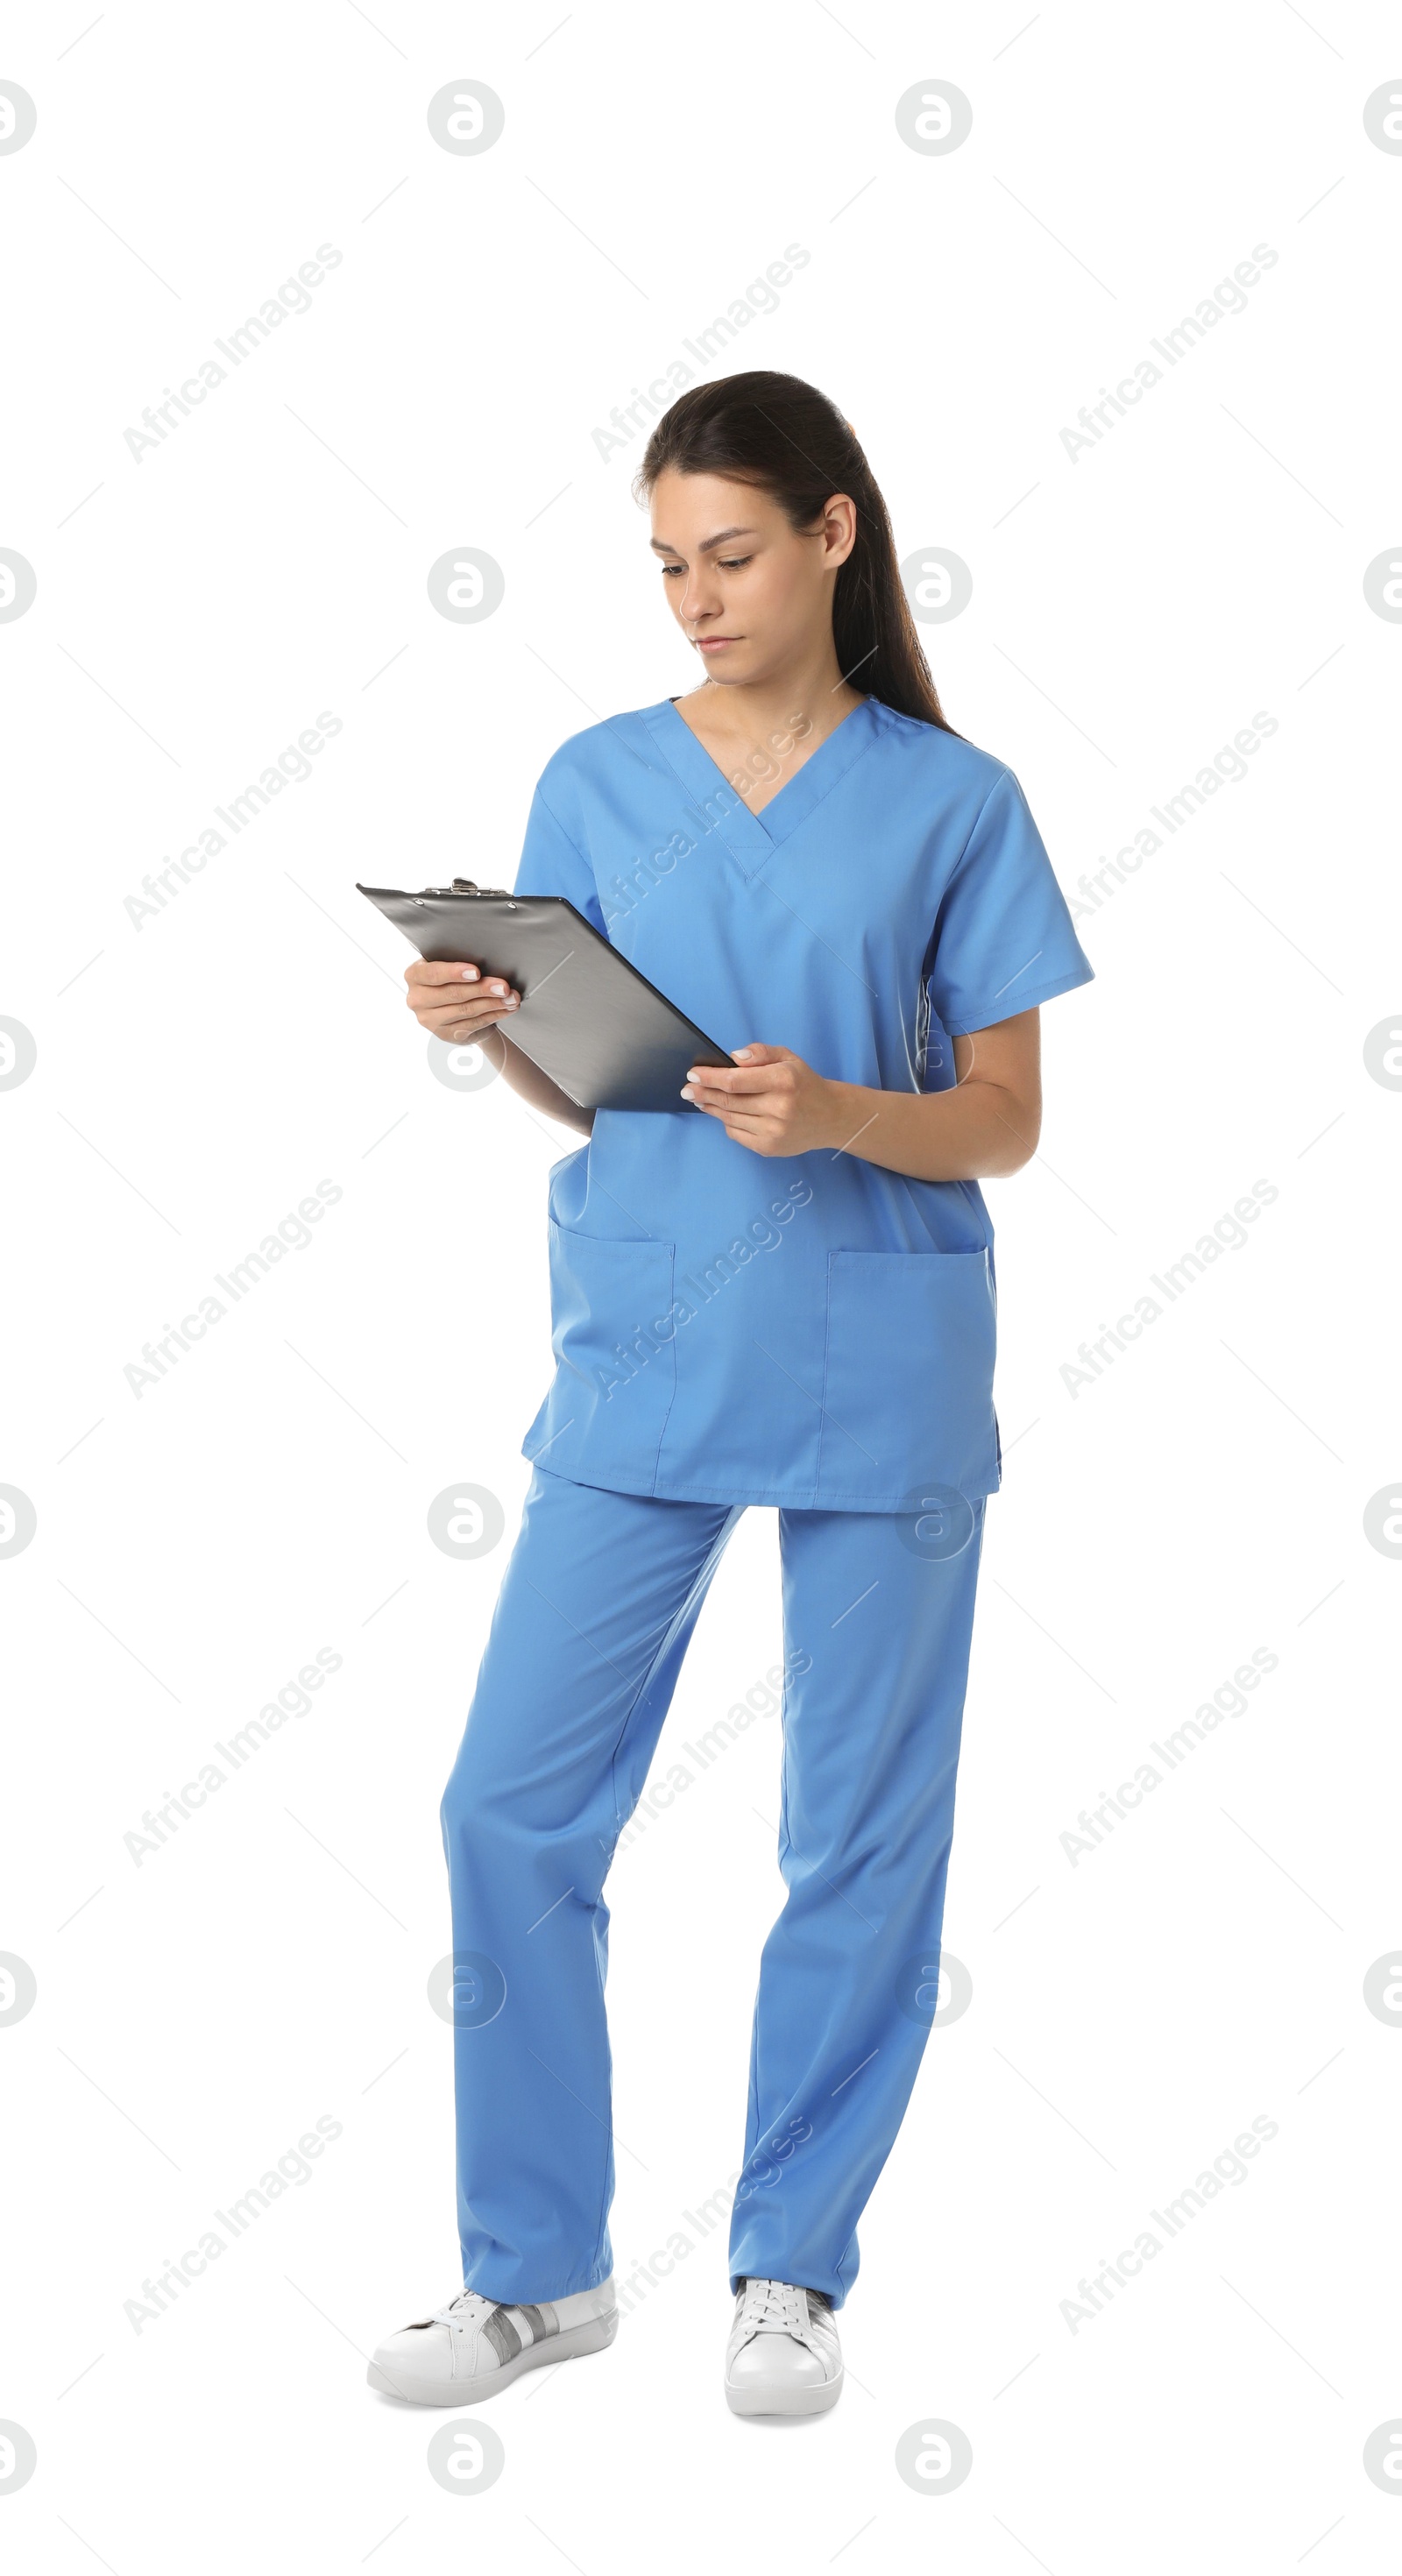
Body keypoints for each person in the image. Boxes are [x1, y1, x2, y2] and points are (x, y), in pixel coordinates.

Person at [367, 371, 1094, 2421]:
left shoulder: (953, 806)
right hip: (648, 1350)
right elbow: (581, 1078)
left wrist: (850, 1111)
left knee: (856, 1835)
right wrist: (479, 1021)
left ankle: (788, 2266)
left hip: (879, 1359)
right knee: (506, 1803)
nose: (693, 595)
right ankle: (534, 2273)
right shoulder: (594, 778)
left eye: (732, 554)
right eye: (668, 563)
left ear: (835, 536)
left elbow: (1009, 1123)